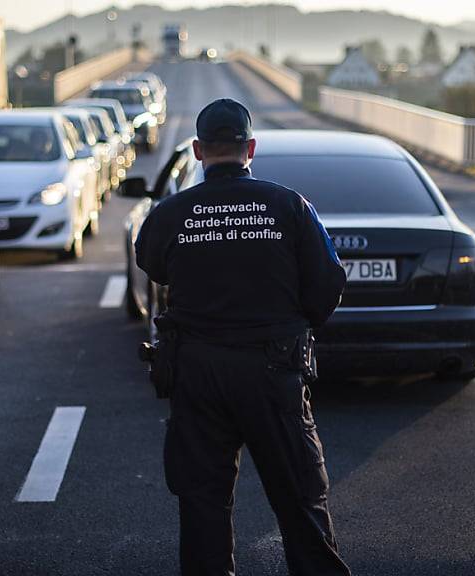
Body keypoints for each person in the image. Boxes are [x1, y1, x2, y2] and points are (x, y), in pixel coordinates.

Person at [135, 98, 350, 576]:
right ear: (250, 147)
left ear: (196, 150)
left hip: (197, 374)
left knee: (203, 507)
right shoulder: (289, 206)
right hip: (274, 371)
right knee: (300, 503)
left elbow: (150, 262)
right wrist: (292, 323)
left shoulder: (173, 212)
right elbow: (329, 282)